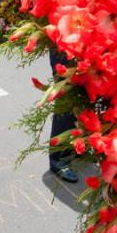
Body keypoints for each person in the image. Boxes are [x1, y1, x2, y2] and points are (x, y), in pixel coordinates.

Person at [49, 50, 78, 183]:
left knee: (82, 97)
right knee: (66, 97)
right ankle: (58, 158)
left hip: (87, 39)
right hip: (64, 44)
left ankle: (74, 147)